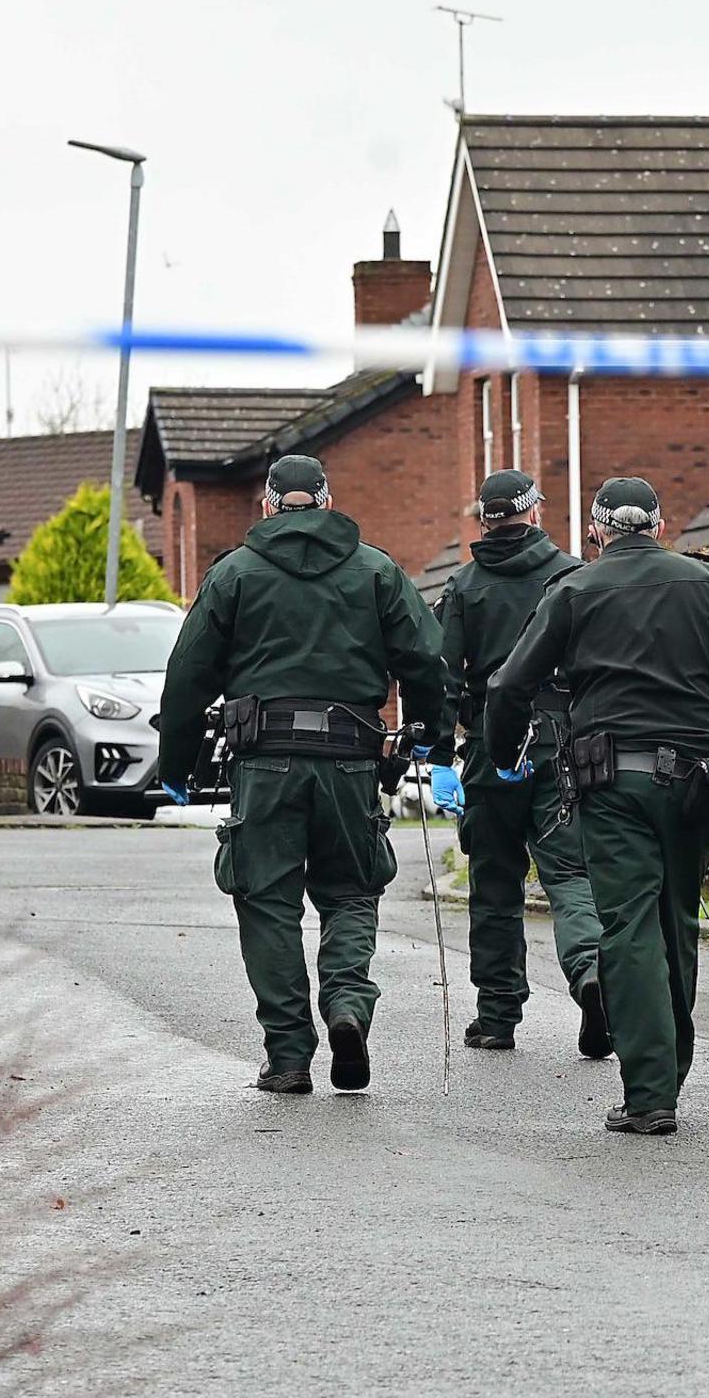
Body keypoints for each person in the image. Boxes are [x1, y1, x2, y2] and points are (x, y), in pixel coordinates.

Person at [485, 476, 709, 1136]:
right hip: (695, 783)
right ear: (661, 527)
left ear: (597, 530)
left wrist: (505, 755)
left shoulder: (574, 590)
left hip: (610, 785)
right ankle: (669, 1072)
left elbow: (509, 686)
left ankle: (649, 1093)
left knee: (629, 925)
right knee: (675, 918)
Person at [156, 454, 449, 1097]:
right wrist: (434, 734)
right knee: (351, 888)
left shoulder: (233, 574)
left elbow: (187, 675)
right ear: (324, 501)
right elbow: (427, 659)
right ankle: (346, 1001)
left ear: (267, 505)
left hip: (263, 760)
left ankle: (288, 1057)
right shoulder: (376, 570)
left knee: (267, 902)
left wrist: (175, 763)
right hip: (350, 757)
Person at [430, 469, 608, 1058]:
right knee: (571, 875)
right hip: (561, 746)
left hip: (487, 746)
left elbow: (440, 678)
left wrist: (437, 756)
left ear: (484, 519)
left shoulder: (462, 587)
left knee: (495, 885)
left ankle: (497, 1017)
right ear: (534, 514)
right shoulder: (577, 577)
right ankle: (590, 976)